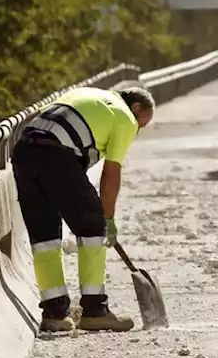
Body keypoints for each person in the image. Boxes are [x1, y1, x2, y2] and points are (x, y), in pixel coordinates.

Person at [11, 84, 155, 333]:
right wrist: (107, 219)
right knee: (92, 227)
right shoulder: (124, 116)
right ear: (136, 107)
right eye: (142, 124)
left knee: (44, 236)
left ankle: (55, 314)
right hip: (56, 155)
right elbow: (111, 173)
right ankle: (94, 310)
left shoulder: (86, 94)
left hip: (24, 151)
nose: (138, 130)